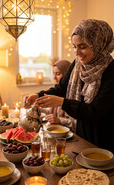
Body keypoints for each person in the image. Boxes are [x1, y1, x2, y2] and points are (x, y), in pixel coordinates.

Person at [24, 19, 114, 153]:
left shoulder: (111, 71)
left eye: (82, 47)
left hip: (104, 139)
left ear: (99, 44)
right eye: (74, 46)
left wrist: (62, 102)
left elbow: (94, 112)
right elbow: (61, 88)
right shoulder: (78, 64)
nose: (77, 53)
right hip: (81, 135)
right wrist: (38, 95)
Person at [41, 60, 71, 127]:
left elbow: (75, 123)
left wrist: (59, 120)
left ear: (67, 75)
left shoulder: (73, 95)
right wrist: (39, 108)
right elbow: (51, 112)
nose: (54, 78)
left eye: (58, 74)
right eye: (53, 74)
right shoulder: (56, 92)